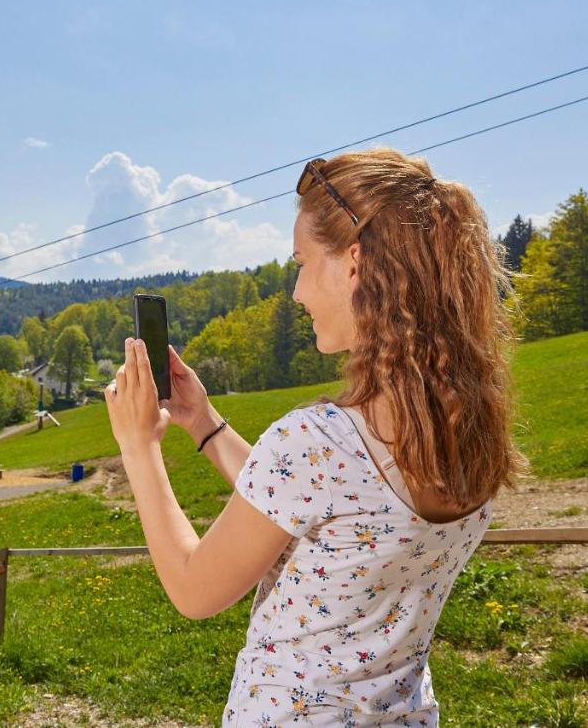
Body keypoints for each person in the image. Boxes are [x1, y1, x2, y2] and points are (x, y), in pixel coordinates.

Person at [104, 146, 529, 726]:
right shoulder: (464, 431)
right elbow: (320, 509)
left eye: (301, 262)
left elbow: (193, 590)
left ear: (354, 264)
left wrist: (139, 445)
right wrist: (204, 423)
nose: (298, 291)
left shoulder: (318, 443)